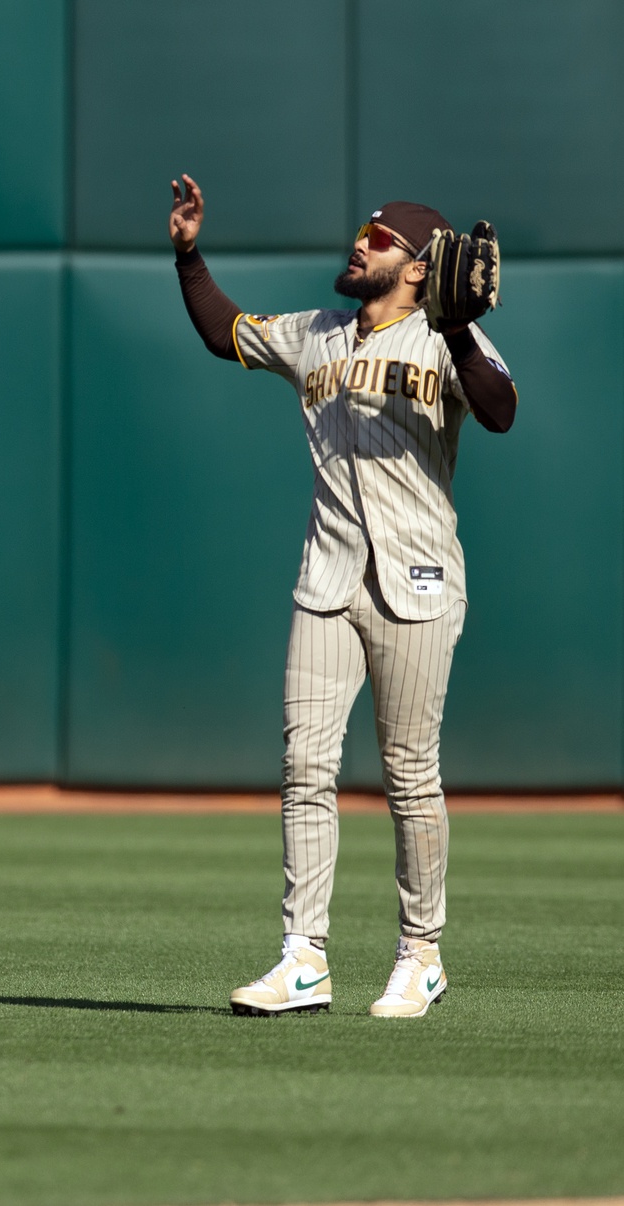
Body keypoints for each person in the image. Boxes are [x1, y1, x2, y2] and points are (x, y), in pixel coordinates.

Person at [167, 175, 517, 1019]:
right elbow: (226, 334)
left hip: (420, 582)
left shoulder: (448, 343)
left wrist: (461, 326)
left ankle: (421, 954)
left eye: (377, 238)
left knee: (407, 774)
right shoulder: (314, 335)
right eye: (362, 233)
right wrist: (187, 256)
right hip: (326, 580)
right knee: (303, 768)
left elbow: (501, 410)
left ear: (416, 265)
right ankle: (302, 959)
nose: (358, 244)